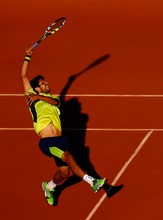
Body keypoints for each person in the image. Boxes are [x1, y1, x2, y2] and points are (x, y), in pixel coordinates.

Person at [20, 47, 106, 205]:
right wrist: (27, 57)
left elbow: (55, 101)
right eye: (43, 83)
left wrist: (38, 95)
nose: (47, 83)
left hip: (61, 139)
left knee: (65, 173)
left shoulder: (51, 99)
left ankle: (49, 186)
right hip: (48, 142)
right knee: (67, 156)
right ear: (36, 87)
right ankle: (92, 181)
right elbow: (23, 76)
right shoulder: (31, 98)